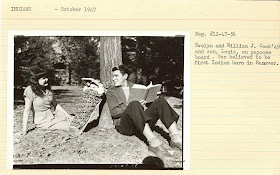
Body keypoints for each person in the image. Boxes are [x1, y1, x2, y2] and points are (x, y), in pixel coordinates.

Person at [106, 65, 182, 160]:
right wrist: (130, 105)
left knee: (160, 101)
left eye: (116, 76)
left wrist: (152, 97)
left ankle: (175, 139)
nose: (113, 79)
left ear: (125, 76)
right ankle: (154, 143)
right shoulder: (111, 92)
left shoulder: (136, 87)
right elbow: (114, 112)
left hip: (140, 121)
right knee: (134, 104)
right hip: (125, 125)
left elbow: (148, 104)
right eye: (113, 76)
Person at [21, 69, 79, 135]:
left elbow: (55, 104)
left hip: (54, 116)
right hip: (43, 121)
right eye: (43, 78)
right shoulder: (30, 90)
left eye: (47, 77)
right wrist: (24, 130)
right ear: (36, 80)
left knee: (74, 120)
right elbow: (27, 111)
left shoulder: (48, 89)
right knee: (71, 126)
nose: (46, 80)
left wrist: (66, 114)